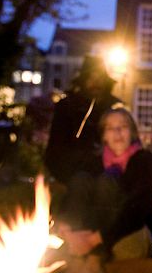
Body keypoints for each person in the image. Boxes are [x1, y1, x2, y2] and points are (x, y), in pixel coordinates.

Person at [52, 107, 152, 273]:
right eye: (111, 128)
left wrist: (95, 240)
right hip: (86, 238)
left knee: (107, 181)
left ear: (132, 132)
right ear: (103, 135)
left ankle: (93, 262)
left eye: (123, 126)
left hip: (130, 235)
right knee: (81, 179)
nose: (117, 132)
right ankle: (78, 257)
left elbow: (137, 210)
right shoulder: (94, 162)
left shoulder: (146, 161)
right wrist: (69, 231)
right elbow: (74, 196)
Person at [44, 55, 122, 187]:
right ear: (83, 80)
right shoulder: (67, 106)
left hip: (107, 173)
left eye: (100, 77)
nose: (96, 82)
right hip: (73, 173)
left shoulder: (115, 108)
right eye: (91, 77)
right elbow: (56, 148)